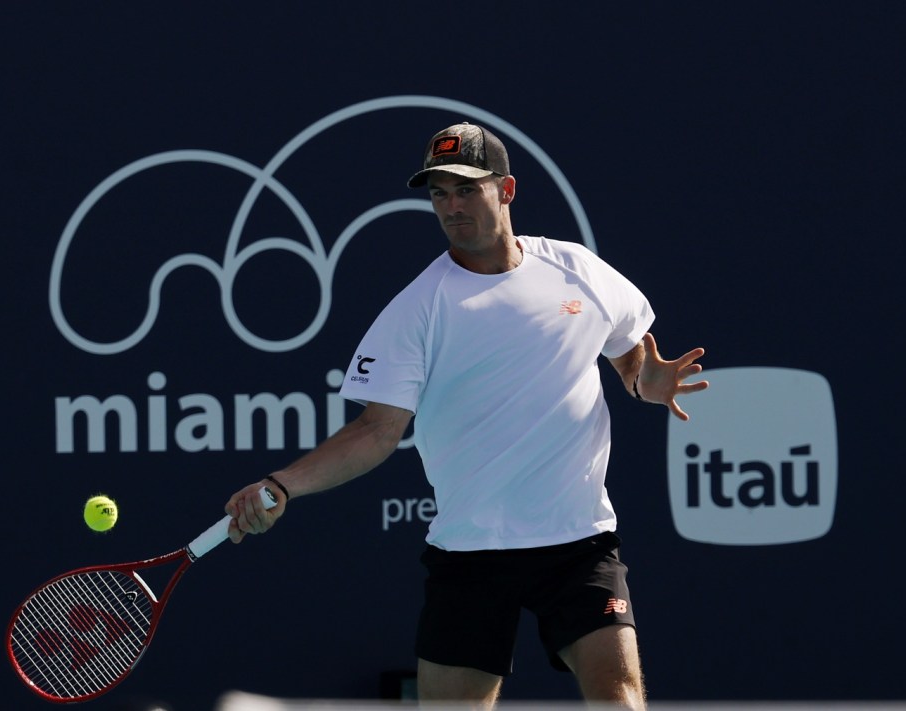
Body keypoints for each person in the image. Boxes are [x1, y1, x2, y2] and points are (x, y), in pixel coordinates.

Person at [225, 122, 708, 710]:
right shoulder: (418, 310)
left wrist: (643, 380)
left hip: (579, 543)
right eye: (439, 193)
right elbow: (376, 432)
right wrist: (281, 486)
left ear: (506, 190)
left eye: (466, 189)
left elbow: (630, 346)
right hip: (471, 554)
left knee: (620, 699)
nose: (451, 206)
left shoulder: (576, 268)